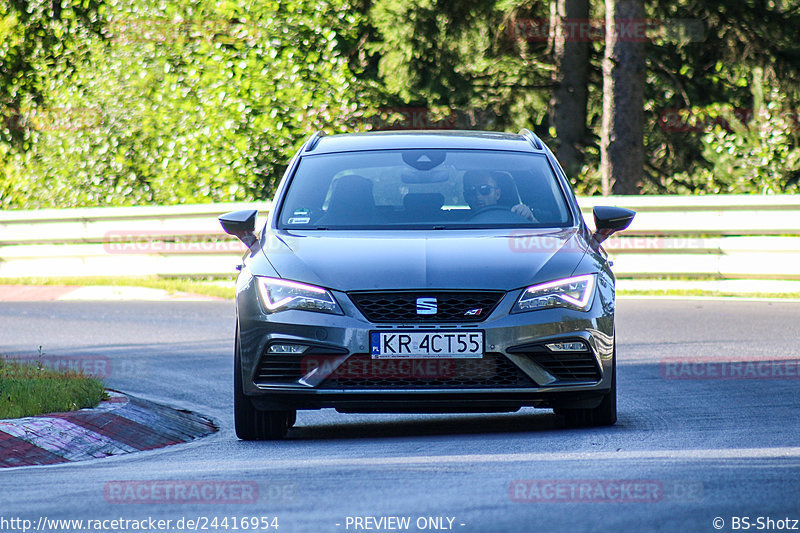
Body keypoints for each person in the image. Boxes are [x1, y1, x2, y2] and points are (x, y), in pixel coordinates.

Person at [462, 170, 535, 221]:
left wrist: (531, 219)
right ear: (465, 196)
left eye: (485, 189)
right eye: (471, 191)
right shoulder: (453, 224)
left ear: (497, 194)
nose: (478, 196)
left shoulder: (519, 216)